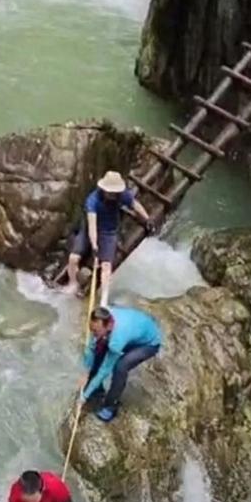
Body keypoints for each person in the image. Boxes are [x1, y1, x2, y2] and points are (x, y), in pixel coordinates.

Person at [66, 171, 154, 307]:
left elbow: (135, 205)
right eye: (110, 192)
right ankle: (73, 284)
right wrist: (94, 245)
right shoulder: (93, 200)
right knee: (73, 258)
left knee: (106, 266)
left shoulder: (122, 195)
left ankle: (104, 299)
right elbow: (92, 225)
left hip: (109, 231)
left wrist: (147, 219)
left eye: (114, 192)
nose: (112, 195)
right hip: (90, 229)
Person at [79, 305, 162, 423]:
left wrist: (84, 396)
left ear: (108, 326)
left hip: (148, 343)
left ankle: (110, 406)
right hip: (133, 331)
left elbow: (105, 370)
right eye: (91, 330)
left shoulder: (116, 340)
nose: (93, 334)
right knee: (99, 348)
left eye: (96, 331)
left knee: (120, 366)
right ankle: (97, 388)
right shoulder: (105, 315)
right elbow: (91, 347)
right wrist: (86, 371)